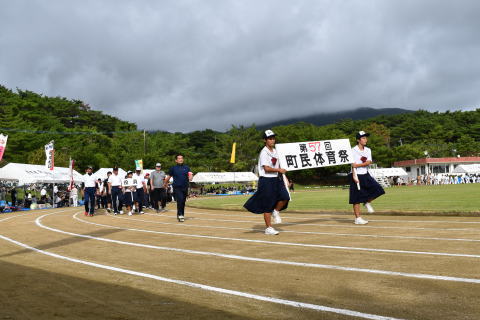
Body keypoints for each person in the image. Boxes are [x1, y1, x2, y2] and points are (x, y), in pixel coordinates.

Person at [243, 130, 290, 235]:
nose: (272, 140)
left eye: (273, 138)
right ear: (265, 140)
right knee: (268, 204)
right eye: (270, 138)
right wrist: (279, 171)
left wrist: (284, 178)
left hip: (277, 179)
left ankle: (276, 211)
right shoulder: (264, 152)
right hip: (266, 180)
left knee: (285, 197)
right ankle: (268, 228)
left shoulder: (275, 151)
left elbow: (279, 166)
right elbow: (267, 168)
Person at [350, 131, 385, 225]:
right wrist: (354, 175)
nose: (366, 139)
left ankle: (366, 202)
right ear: (358, 140)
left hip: (365, 174)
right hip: (356, 175)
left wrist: (358, 165)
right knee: (356, 198)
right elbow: (352, 166)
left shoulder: (368, 150)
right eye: (363, 138)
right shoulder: (352, 150)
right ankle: (358, 218)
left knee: (379, 189)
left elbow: (369, 162)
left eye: (366, 137)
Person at [165, 154, 192, 222]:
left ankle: (180, 214)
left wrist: (191, 177)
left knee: (183, 201)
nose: (181, 159)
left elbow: (190, 176)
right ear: (176, 160)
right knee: (179, 200)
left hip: (185, 187)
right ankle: (180, 215)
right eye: (179, 158)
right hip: (177, 187)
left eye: (182, 158)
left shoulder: (187, 167)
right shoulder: (173, 168)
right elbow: (168, 177)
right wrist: (165, 183)